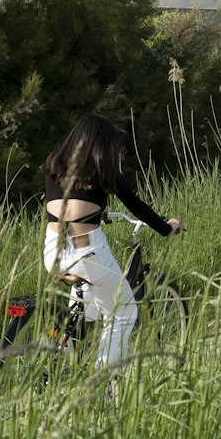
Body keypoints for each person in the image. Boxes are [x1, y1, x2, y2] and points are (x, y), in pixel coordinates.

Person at [43, 114, 183, 369]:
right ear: (104, 145)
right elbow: (138, 207)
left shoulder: (54, 164)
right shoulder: (104, 170)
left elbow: (70, 203)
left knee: (91, 295)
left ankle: (74, 350)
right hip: (87, 250)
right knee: (124, 311)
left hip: (52, 251)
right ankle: (104, 382)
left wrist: (96, 212)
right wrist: (167, 227)